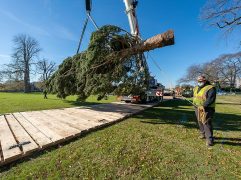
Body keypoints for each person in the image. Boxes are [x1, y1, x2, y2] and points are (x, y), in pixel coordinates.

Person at [193, 75, 216, 148]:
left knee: (206, 123)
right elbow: (193, 96)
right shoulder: (196, 88)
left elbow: (211, 99)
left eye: (201, 81)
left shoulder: (211, 88)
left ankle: (210, 140)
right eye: (198, 81)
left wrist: (203, 105)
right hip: (197, 108)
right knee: (200, 121)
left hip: (207, 108)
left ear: (205, 80)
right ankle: (202, 134)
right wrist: (181, 94)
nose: (199, 82)